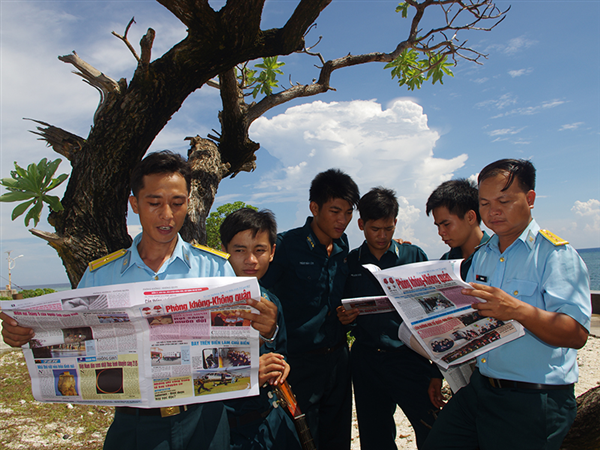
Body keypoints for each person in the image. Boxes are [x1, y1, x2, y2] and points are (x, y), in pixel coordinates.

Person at [1, 150, 251, 450]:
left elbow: (239, 336)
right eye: (154, 203)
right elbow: (68, 335)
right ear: (135, 204)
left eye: (177, 203)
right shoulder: (100, 275)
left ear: (188, 204)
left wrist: (265, 326)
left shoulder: (216, 268)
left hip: (204, 420)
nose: (167, 215)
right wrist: (24, 334)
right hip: (134, 423)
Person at [423, 159, 591, 450]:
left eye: (504, 200)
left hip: (534, 399)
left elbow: (576, 334)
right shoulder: (483, 255)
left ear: (530, 199)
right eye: (485, 203)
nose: (493, 211)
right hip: (481, 389)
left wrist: (516, 310)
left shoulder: (555, 255)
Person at [261, 169, 360, 449]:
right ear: (314, 208)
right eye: (335, 211)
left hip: (338, 359)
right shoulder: (285, 246)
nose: (343, 220)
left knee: (338, 435)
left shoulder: (342, 245)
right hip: (300, 364)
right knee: (302, 438)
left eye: (348, 212)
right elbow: (263, 297)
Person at [336, 187, 440, 450]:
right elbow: (343, 308)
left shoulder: (412, 256)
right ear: (361, 225)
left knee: (432, 429)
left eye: (389, 228)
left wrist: (435, 370)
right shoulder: (350, 263)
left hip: (410, 358)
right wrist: (346, 318)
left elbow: (434, 313)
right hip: (367, 360)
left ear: (396, 223)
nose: (382, 236)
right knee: (374, 435)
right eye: (375, 229)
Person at [219, 208, 301, 450]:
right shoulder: (207, 303)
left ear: (272, 253)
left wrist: (280, 365)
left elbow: (281, 351)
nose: (251, 260)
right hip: (227, 429)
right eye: (240, 250)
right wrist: (248, 373)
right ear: (224, 250)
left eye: (259, 250)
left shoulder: (271, 302)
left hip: (269, 424)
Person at [425, 179, 490, 280]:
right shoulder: (445, 262)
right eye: (438, 226)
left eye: (446, 224)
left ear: (470, 217)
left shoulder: (497, 258)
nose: (441, 232)